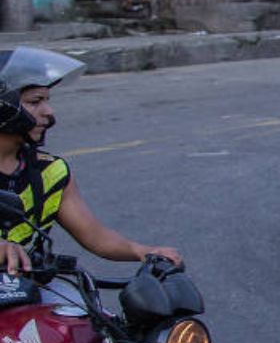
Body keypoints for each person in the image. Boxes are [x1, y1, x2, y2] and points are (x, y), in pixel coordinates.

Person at [0, 48, 182, 276]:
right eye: (35, 101)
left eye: (47, 100)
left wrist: (142, 251)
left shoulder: (49, 171)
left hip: (30, 290)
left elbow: (95, 236)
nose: (48, 111)